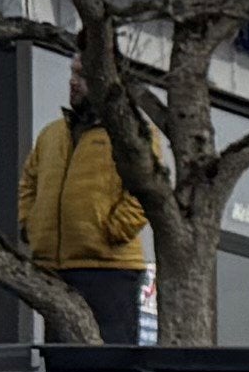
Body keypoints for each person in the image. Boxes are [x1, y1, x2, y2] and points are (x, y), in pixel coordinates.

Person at [15, 63, 156, 344]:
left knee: (107, 367)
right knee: (61, 367)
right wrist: (30, 225)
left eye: (83, 75)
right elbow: (28, 183)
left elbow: (146, 188)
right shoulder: (51, 134)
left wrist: (113, 231)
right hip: (55, 268)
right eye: (71, 73)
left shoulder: (132, 133)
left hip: (110, 271)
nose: (73, 82)